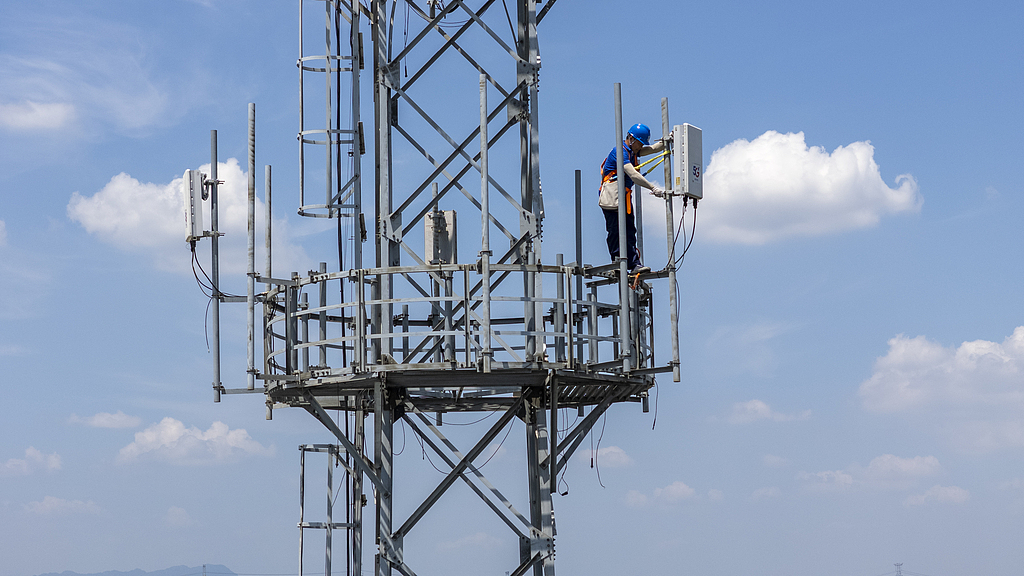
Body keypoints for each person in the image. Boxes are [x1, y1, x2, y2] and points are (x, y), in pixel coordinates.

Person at [598, 123, 667, 275]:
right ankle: (617, 261)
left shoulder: (633, 151)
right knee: (615, 230)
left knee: (630, 230)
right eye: (639, 143)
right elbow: (633, 175)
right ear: (631, 138)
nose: (640, 147)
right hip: (612, 196)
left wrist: (666, 141)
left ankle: (634, 263)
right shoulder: (620, 152)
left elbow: (654, 148)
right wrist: (653, 187)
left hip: (624, 196)